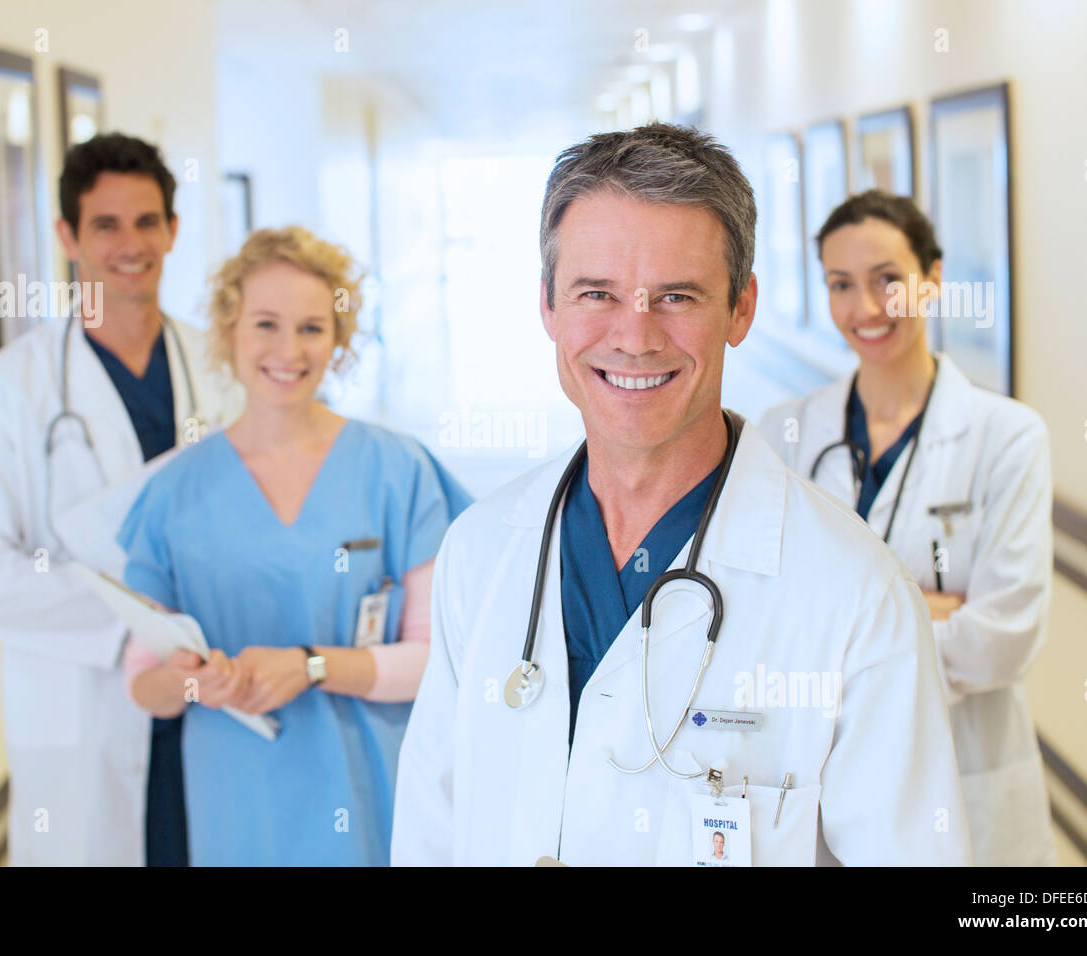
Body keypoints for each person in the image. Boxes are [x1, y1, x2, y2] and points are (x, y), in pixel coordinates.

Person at [392, 123, 971, 866]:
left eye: (676, 296)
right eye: (595, 292)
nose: (635, 337)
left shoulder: (854, 592)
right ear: (548, 306)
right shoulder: (480, 549)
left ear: (740, 308)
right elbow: (431, 829)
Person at [118, 226, 471, 866]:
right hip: (237, 796)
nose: (289, 349)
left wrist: (311, 664)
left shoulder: (397, 470)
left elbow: (436, 662)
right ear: (229, 332)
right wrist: (196, 684)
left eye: (312, 327)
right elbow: (144, 683)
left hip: (369, 788)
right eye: (265, 324)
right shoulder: (175, 492)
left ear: (339, 340)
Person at [0, 133, 238, 866]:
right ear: (68, 236)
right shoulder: (11, 389)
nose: (129, 244)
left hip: (215, 694)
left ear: (171, 229)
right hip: (87, 703)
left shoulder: (224, 365)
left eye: (147, 222)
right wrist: (130, 621)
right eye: (105, 224)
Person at [758, 190, 1056, 866]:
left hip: (964, 769)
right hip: (816, 775)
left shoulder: (1006, 438)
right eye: (841, 285)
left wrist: (838, 632)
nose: (864, 308)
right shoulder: (785, 433)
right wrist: (921, 614)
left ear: (934, 279)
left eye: (888, 280)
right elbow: (766, 621)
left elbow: (1003, 640)